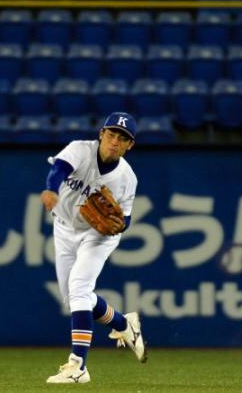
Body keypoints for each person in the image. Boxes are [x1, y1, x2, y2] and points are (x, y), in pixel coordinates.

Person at [40, 111, 147, 384]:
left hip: (97, 235)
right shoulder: (80, 150)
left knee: (79, 286)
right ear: (101, 134)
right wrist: (52, 190)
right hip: (63, 226)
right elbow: (59, 170)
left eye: (122, 139)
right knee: (74, 298)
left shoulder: (127, 178)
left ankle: (78, 366)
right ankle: (124, 324)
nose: (114, 141)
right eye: (111, 134)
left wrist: (118, 225)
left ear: (129, 146)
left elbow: (126, 219)